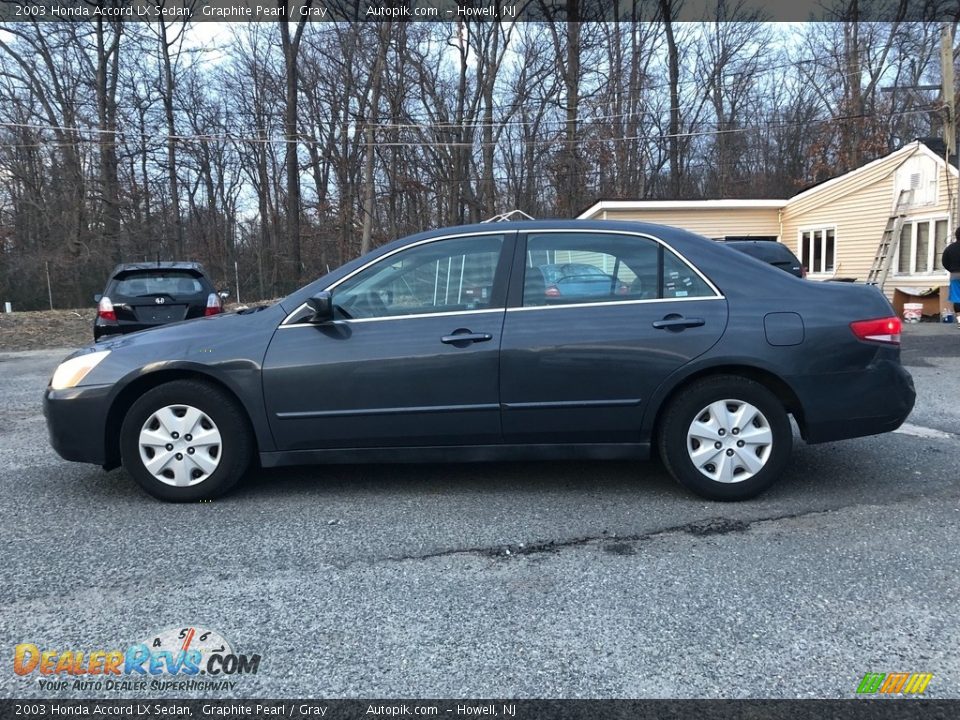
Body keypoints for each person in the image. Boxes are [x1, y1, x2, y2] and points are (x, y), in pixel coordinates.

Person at [944, 228, 960, 327]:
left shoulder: (950, 248)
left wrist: (951, 269)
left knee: (957, 299)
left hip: (955, 275)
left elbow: (944, 261)